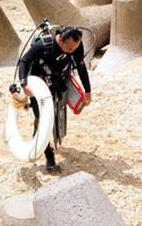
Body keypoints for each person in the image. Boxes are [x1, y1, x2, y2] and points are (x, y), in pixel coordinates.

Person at [15, 25, 92, 171]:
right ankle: (49, 156)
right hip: (38, 83)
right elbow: (24, 61)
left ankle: (38, 137)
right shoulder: (43, 45)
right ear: (61, 41)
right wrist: (24, 84)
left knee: (53, 117)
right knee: (43, 118)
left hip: (58, 81)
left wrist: (88, 90)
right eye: (70, 49)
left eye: (75, 49)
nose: (73, 52)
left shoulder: (75, 45)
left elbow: (80, 66)